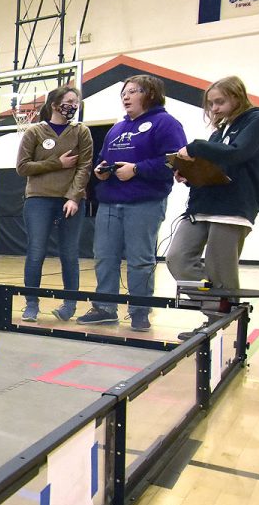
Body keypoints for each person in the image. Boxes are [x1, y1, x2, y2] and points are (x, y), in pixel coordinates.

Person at [78, 75, 187, 331]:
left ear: (150, 94)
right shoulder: (117, 129)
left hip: (145, 202)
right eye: (123, 93)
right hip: (109, 202)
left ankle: (139, 310)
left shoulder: (166, 123)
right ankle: (105, 307)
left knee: (140, 259)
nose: (126, 97)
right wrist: (100, 170)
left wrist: (137, 169)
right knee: (104, 257)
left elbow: (174, 161)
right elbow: (103, 158)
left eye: (133, 92)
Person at [166, 76, 259, 295]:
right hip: (202, 206)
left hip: (232, 207)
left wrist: (195, 147)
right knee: (177, 259)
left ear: (237, 96)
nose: (214, 108)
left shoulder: (256, 119)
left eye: (219, 102)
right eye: (211, 104)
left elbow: (237, 153)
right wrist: (188, 174)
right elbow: (211, 167)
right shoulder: (218, 132)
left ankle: (218, 314)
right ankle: (219, 300)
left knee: (220, 268)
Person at [14, 85, 94, 322]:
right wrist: (56, 163)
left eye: (76, 102)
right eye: (69, 101)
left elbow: (84, 166)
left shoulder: (81, 132)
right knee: (36, 252)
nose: (73, 105)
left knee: (69, 253)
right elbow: (23, 167)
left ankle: (69, 304)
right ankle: (31, 303)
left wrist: (74, 196)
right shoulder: (34, 132)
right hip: (38, 199)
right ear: (54, 104)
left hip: (70, 201)